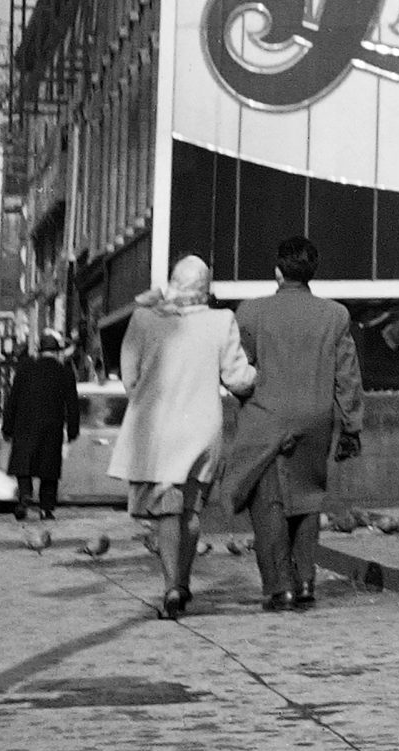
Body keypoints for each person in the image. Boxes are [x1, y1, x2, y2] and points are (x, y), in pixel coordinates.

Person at [221, 236, 364, 612]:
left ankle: (279, 586)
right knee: (306, 500)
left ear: (278, 270)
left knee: (268, 501)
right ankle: (304, 582)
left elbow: (239, 371)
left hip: (266, 417)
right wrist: (351, 426)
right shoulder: (335, 315)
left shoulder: (250, 312)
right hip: (317, 419)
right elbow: (347, 376)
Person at [109, 258, 255, 619]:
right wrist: (259, 375)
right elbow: (237, 378)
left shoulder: (143, 319)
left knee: (166, 508)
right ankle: (184, 582)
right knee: (191, 509)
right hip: (201, 427)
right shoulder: (222, 321)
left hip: (158, 429)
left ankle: (172, 585)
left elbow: (129, 375)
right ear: (206, 288)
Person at [2, 333, 82, 521]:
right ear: (56, 352)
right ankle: (46, 508)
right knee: (49, 470)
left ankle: (25, 497)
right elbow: (72, 405)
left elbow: (11, 401)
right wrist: (72, 430)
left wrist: (7, 427)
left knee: (24, 465)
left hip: (24, 426)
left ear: (39, 351)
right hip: (51, 428)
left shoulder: (24, 370)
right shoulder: (64, 372)